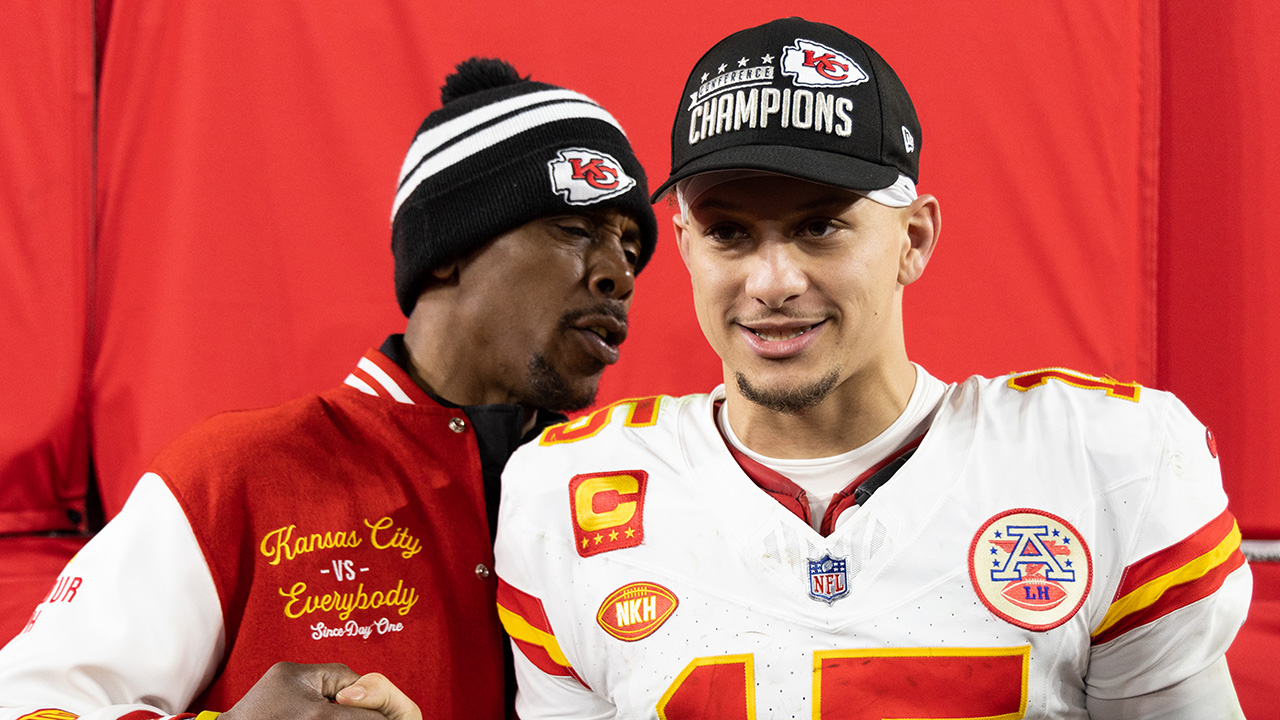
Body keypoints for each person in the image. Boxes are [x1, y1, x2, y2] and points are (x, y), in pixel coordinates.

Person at [493, 18, 1251, 720]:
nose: (772, 281)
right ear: (687, 246)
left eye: (820, 226)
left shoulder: (1104, 460)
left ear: (912, 240)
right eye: (728, 232)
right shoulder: (564, 494)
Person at [0, 57, 657, 720]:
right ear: (446, 251)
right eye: (576, 230)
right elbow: (26, 702)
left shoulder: (638, 494)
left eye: (631, 249)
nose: (619, 275)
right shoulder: (238, 475)